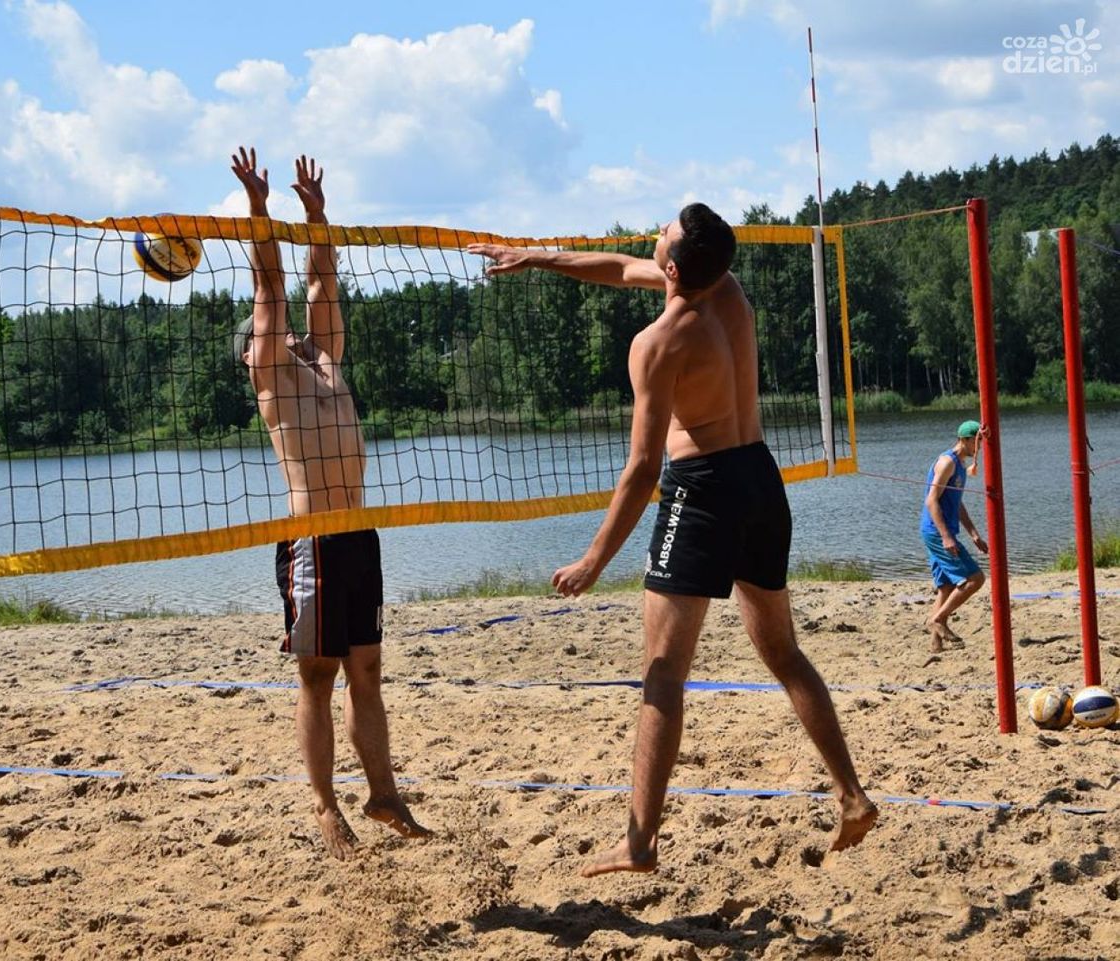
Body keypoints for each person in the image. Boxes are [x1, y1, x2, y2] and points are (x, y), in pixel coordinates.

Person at [468, 204, 877, 877]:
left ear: (676, 265)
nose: (654, 235)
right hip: (760, 482)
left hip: (703, 490)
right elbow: (621, 268)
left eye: (664, 234)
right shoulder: (728, 290)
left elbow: (642, 470)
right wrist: (538, 256)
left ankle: (638, 843)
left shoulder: (657, 344)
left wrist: (595, 558)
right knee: (782, 651)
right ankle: (853, 795)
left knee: (662, 672)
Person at [231, 145, 429, 860]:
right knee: (317, 676)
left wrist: (317, 217)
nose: (281, 326)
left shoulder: (325, 362)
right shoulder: (272, 373)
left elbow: (321, 281)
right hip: (311, 537)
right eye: (266, 329)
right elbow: (273, 286)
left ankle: (384, 794)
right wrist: (258, 210)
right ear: (253, 349)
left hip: (358, 535)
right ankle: (324, 805)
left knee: (368, 671)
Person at [920, 420, 989, 653]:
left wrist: (974, 534)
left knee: (947, 587)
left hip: (940, 531)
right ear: (965, 440)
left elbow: (957, 505)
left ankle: (935, 645)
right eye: (977, 442)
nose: (978, 447)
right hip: (937, 531)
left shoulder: (960, 464)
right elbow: (931, 501)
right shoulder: (947, 462)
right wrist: (946, 537)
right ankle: (937, 620)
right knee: (975, 578)